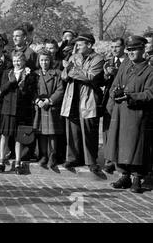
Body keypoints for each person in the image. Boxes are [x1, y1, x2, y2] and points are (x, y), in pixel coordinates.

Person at [105, 36, 153, 193]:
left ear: (142, 50)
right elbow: (114, 86)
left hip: (137, 114)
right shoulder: (125, 67)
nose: (132, 53)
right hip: (120, 112)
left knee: (137, 146)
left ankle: (138, 178)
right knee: (120, 144)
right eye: (129, 50)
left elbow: (150, 93)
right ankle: (124, 175)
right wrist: (113, 97)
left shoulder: (149, 70)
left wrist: (131, 96)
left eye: (135, 50)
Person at [60, 33, 104, 174]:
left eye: (80, 44)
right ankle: (73, 158)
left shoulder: (98, 59)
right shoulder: (74, 57)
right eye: (76, 45)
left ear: (89, 45)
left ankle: (91, 161)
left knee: (89, 130)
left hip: (88, 97)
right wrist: (69, 70)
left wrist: (71, 69)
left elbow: (90, 76)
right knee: (72, 129)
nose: (77, 47)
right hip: (72, 97)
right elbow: (64, 76)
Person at [0, 52, 37, 174]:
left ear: (24, 61)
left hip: (21, 109)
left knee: (19, 137)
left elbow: (30, 92)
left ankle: (17, 163)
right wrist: (11, 82)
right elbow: (2, 88)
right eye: (14, 60)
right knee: (4, 135)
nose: (16, 63)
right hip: (8, 108)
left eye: (19, 60)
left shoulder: (29, 74)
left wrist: (23, 85)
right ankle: (1, 162)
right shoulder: (8, 72)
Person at [33, 49, 65, 169]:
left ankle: (52, 155)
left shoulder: (57, 73)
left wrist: (49, 100)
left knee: (52, 133)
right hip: (40, 107)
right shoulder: (35, 74)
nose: (44, 62)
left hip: (51, 107)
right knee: (42, 133)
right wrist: (37, 100)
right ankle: (43, 155)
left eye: (46, 60)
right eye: (41, 60)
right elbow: (32, 89)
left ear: (50, 60)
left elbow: (60, 89)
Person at [101, 37, 127, 174]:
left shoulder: (129, 62)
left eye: (117, 47)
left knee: (120, 130)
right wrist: (105, 75)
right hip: (109, 101)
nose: (114, 50)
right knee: (107, 131)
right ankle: (108, 160)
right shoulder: (109, 62)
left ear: (124, 47)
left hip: (123, 100)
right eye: (112, 47)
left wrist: (116, 73)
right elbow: (100, 81)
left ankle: (120, 162)